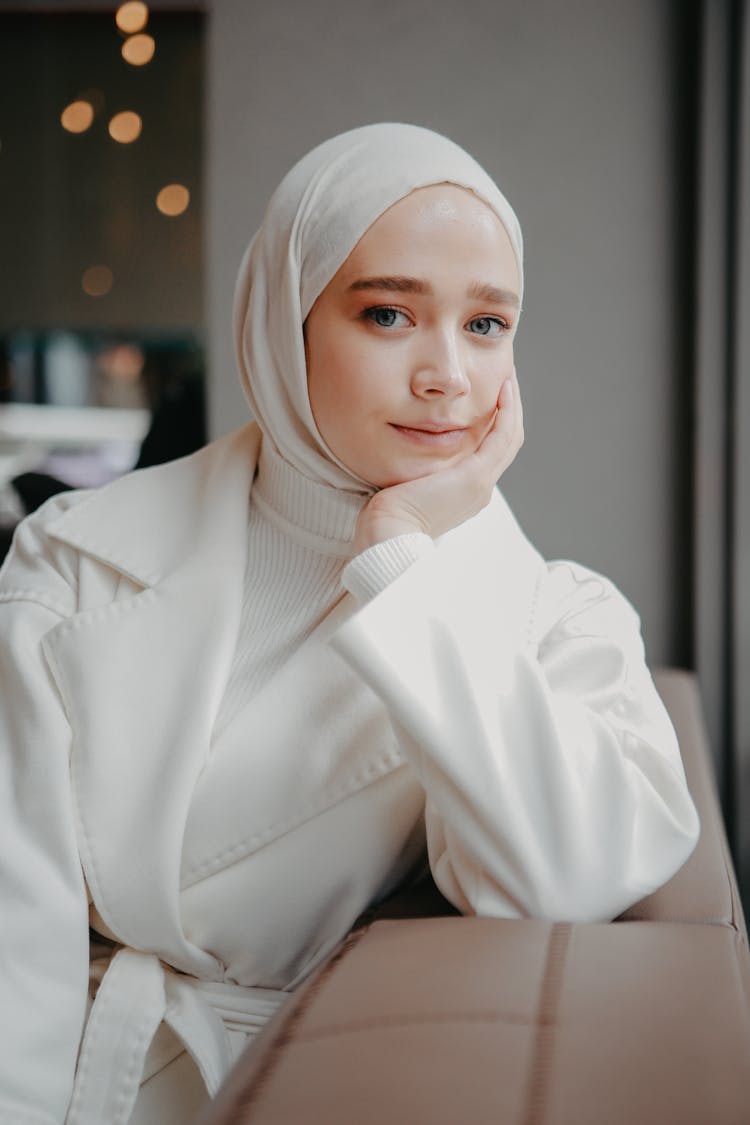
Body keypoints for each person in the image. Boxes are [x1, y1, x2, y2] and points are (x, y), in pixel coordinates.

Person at [0, 123, 699, 1124]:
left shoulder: (556, 616)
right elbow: (11, 938)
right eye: (387, 314)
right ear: (285, 320)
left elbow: (562, 877)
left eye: (488, 325)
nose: (447, 375)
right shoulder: (70, 557)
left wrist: (402, 559)